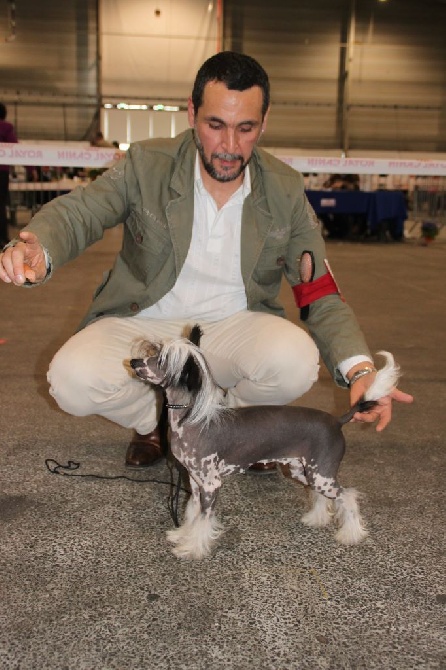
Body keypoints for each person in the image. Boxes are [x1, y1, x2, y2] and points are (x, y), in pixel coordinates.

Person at [0, 52, 413, 473]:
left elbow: (318, 290)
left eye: (246, 128)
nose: (230, 147)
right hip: (145, 322)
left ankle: (235, 431)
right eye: (215, 125)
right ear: (193, 113)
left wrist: (360, 368)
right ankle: (153, 422)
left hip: (232, 326)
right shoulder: (145, 164)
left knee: (294, 361)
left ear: (264, 122)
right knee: (70, 381)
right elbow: (79, 213)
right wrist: (40, 247)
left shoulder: (285, 188)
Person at [0, 102, 18, 247]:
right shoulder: (6, 127)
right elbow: (15, 147)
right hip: (2, 171)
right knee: (1, 205)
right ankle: (2, 237)